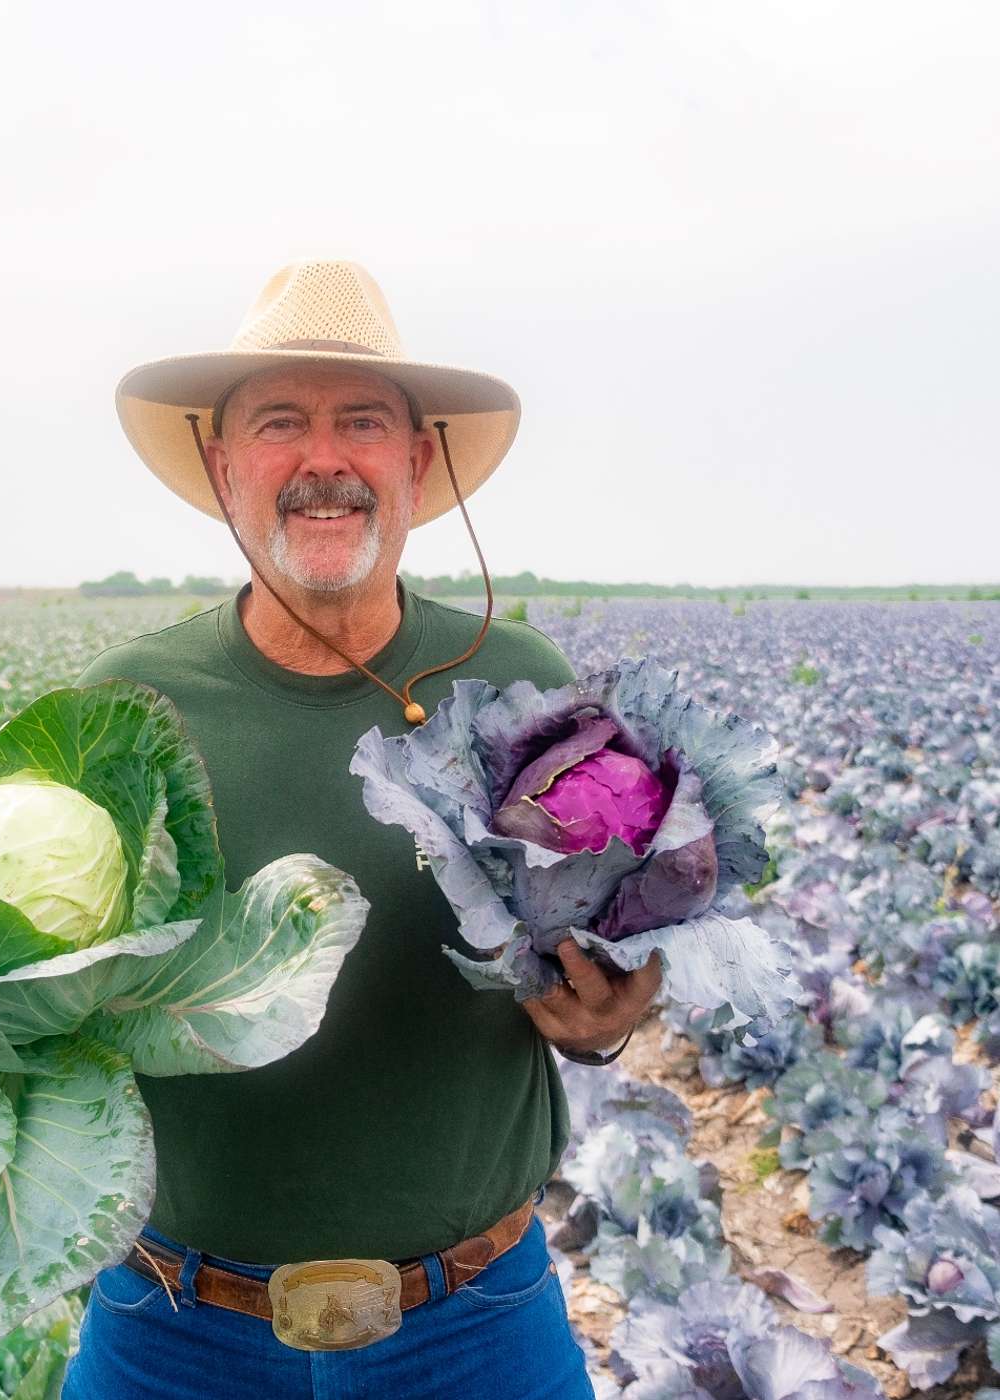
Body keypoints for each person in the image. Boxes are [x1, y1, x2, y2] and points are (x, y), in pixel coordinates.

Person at [62, 260, 661, 1399]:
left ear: (415, 460)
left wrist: (604, 1019)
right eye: (280, 421)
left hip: (473, 1324)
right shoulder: (125, 705)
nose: (322, 458)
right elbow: (58, 983)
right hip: (174, 1323)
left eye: (362, 422)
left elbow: (606, 942)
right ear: (222, 463)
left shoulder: (520, 684)